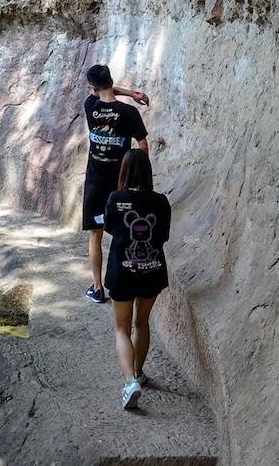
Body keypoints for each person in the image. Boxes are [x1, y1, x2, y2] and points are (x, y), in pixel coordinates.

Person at [102, 150, 172, 410]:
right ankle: (139, 372)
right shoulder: (161, 202)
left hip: (121, 271)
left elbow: (110, 228)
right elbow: (163, 236)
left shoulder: (115, 199)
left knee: (121, 329)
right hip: (152, 271)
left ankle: (130, 381)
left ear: (124, 172)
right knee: (141, 324)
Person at [80, 62, 150, 303]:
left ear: (93, 88)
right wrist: (133, 94)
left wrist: (126, 92)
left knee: (95, 235)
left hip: (95, 185)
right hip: (121, 186)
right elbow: (142, 145)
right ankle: (126, 282)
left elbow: (103, 91)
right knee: (123, 234)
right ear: (110, 81)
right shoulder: (129, 113)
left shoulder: (90, 106)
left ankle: (98, 287)